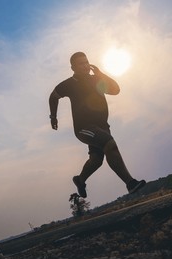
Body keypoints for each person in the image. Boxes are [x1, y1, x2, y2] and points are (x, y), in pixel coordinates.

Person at [49, 52, 146, 198]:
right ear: (73, 67)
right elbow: (53, 97)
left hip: (102, 126)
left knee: (96, 160)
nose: (85, 65)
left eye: (86, 62)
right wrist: (53, 117)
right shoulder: (69, 84)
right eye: (81, 63)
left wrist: (101, 74)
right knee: (110, 144)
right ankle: (130, 183)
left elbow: (115, 90)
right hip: (84, 128)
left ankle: (80, 180)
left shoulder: (96, 80)